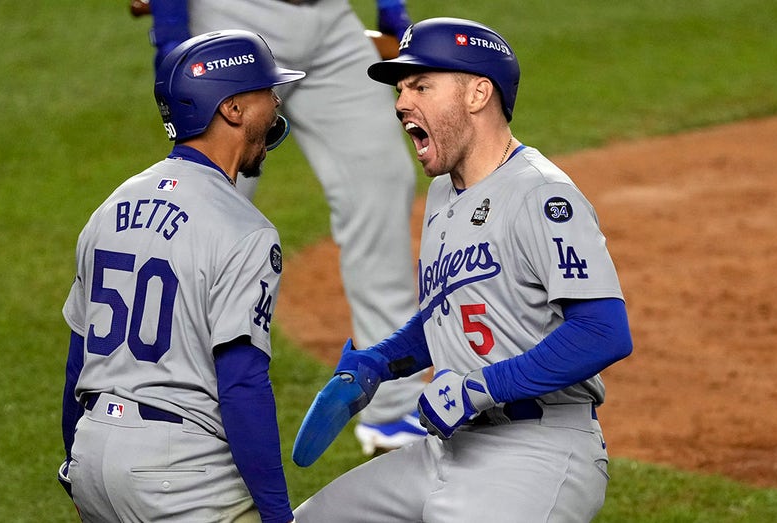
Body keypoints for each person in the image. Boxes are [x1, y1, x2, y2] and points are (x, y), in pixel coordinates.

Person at [292, 17, 634, 521]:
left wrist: (480, 388)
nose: (401, 102)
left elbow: (604, 333)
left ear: (478, 93)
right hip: (448, 448)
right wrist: (379, 363)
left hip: (536, 451)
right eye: (402, 88)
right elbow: (453, 309)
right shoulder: (443, 194)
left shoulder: (540, 193)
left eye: (421, 86)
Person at [140, 0, 429, 456]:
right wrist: (172, 35)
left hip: (332, 24)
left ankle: (391, 405)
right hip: (234, 19)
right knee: (207, 202)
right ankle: (164, 401)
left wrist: (391, 10)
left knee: (381, 180)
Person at [57, 30, 305, 523]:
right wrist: (278, 514)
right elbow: (242, 384)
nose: (276, 103)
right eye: (265, 92)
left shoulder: (110, 206)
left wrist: (79, 458)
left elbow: (76, 362)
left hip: (92, 455)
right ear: (232, 109)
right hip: (180, 477)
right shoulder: (246, 230)